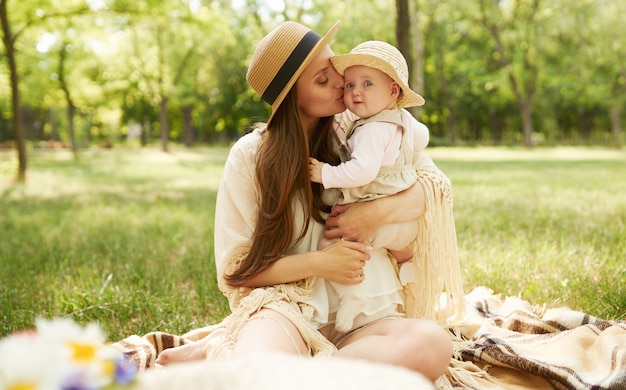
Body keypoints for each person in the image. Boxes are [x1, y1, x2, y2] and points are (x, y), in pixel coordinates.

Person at [154, 20, 464, 383]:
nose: (340, 83)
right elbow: (237, 272)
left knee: (431, 344)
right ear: (292, 98)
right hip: (290, 308)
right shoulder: (251, 156)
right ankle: (243, 353)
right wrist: (321, 262)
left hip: (366, 311)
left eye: (334, 69)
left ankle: (281, 369)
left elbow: (433, 187)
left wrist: (374, 214)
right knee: (260, 372)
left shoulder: (368, 124)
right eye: (321, 80)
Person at [308, 40, 430, 331]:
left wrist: (325, 173)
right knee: (397, 248)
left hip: (372, 200)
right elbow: (421, 139)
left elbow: (361, 172)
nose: (356, 92)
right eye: (350, 85)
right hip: (401, 204)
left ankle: (353, 297)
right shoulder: (402, 119)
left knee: (332, 242)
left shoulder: (371, 130)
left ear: (393, 90)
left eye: (367, 84)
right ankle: (409, 266)